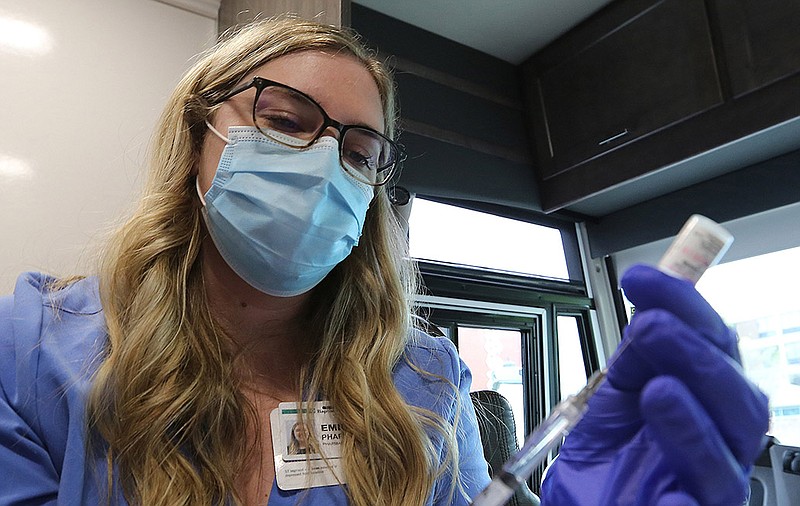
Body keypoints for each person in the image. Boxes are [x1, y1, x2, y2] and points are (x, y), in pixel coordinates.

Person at [0, 16, 768, 506]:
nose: (325, 165)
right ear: (198, 132)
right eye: (285, 121)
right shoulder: (39, 344)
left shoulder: (425, 380)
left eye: (359, 151)